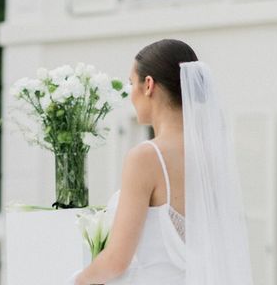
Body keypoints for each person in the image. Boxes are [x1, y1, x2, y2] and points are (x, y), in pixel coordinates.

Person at [69, 39, 253, 285]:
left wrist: (75, 281)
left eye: (131, 83)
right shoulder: (211, 156)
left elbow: (116, 260)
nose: (130, 94)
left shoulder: (146, 157)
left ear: (148, 85)